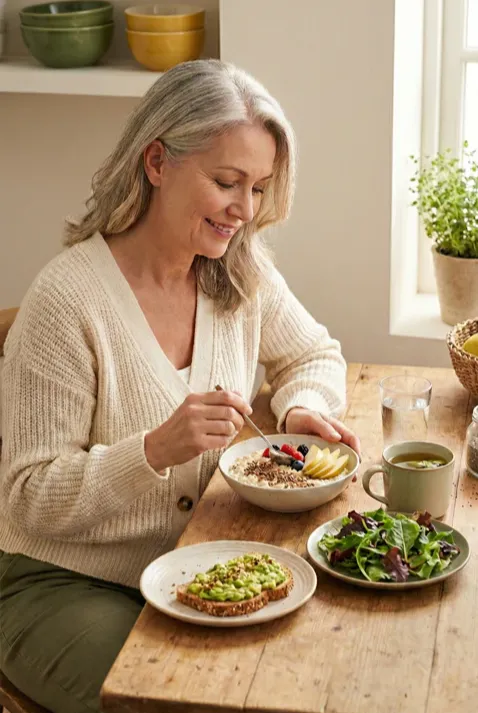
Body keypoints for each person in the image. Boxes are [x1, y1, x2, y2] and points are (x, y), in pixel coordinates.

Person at [0, 59, 360, 713]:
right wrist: (153, 451)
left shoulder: (240, 275)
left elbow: (315, 353)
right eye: (227, 181)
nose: (244, 210)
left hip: (193, 566)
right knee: (176, 703)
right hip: (61, 582)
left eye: (258, 187)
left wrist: (302, 409)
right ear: (158, 161)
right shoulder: (66, 300)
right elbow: (26, 498)